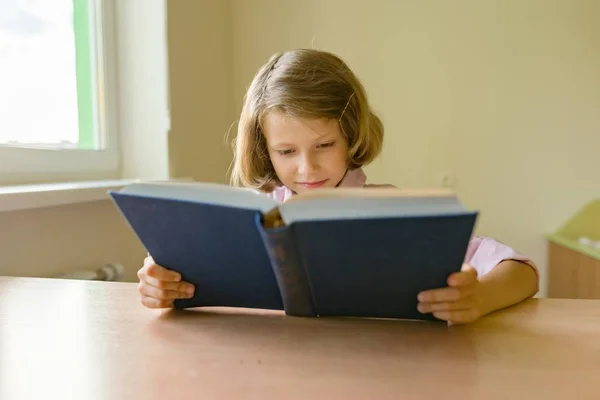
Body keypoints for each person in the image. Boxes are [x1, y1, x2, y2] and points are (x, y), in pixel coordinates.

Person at [137, 49, 539, 324]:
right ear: (265, 150)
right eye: (286, 150)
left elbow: (522, 271)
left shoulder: (396, 210)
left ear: (351, 135)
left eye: (324, 145)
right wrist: (160, 283)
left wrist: (478, 298)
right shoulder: (248, 218)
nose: (306, 167)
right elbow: (173, 273)